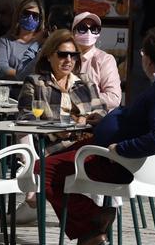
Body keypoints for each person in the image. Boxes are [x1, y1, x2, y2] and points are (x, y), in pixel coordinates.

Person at [41, 27, 155, 245]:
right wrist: (104, 123)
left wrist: (121, 149)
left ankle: (93, 219)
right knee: (49, 164)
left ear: (148, 60)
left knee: (43, 170)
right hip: (105, 151)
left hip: (116, 161)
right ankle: (91, 230)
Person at [13, 30, 107, 223]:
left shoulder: (85, 84)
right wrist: (59, 128)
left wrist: (86, 120)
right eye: (63, 54)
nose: (68, 60)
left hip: (84, 146)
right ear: (49, 56)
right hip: (51, 148)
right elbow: (25, 116)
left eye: (73, 55)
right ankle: (93, 218)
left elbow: (101, 114)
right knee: (49, 172)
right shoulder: (36, 82)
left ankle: (92, 219)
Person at [16, 12, 122, 112]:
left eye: (94, 29)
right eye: (82, 28)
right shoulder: (37, 81)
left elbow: (113, 99)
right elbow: (28, 112)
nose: (68, 60)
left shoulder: (101, 64)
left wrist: (73, 100)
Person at [0, 0, 47, 80]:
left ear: (40, 20)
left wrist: (21, 74)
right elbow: (1, 69)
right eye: (26, 13)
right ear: (18, 15)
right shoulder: (5, 41)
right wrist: (23, 75)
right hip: (11, 90)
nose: (30, 18)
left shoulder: (44, 43)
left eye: (35, 15)